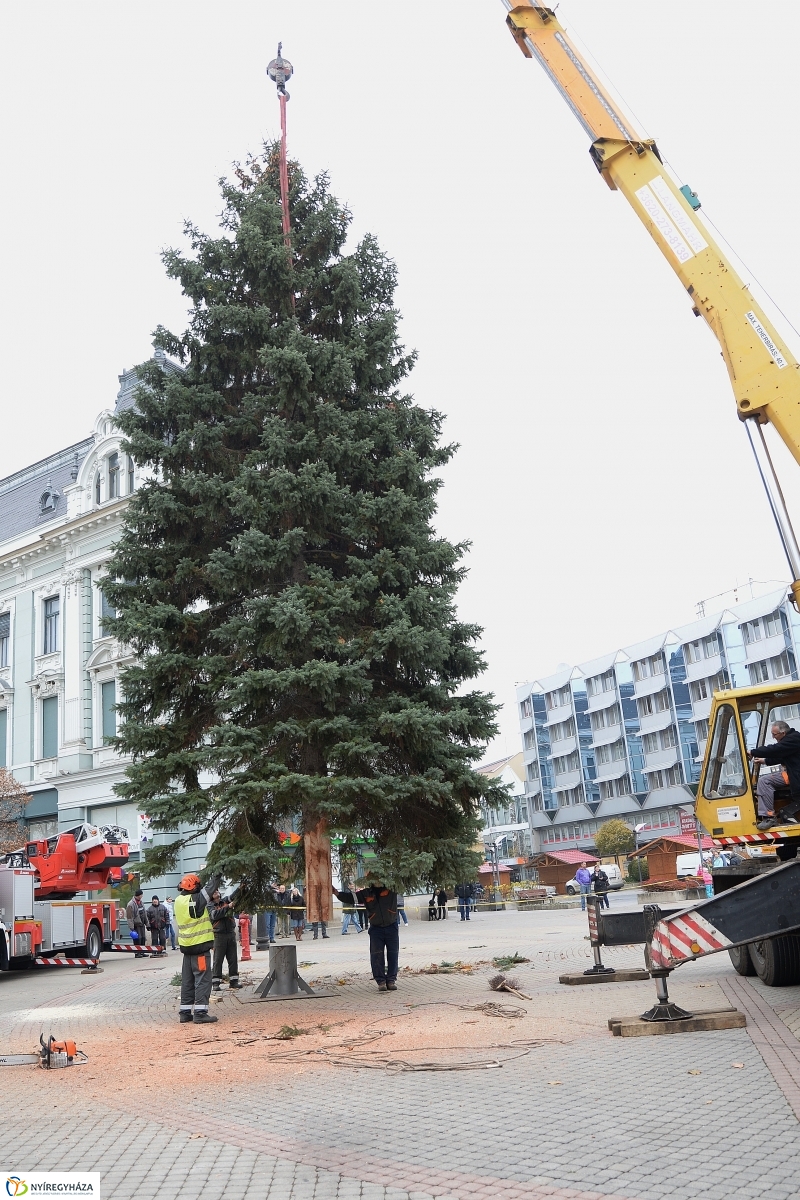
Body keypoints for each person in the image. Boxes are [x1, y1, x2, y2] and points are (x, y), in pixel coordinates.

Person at [175, 871, 221, 1023]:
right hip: (199, 948)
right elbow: (210, 888)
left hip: (186, 948)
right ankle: (200, 1013)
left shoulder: (178, 901)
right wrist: (217, 873)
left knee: (187, 981)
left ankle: (185, 1012)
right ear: (193, 887)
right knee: (203, 979)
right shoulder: (195, 900)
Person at [748, 720, 800, 829]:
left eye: (774, 734)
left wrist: (753, 752)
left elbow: (776, 749)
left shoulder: (793, 739)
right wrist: (765, 761)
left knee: (764, 781)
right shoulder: (792, 740)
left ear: (783, 733)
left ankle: (769, 817)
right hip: (794, 775)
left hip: (796, 777)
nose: (773, 737)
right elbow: (781, 756)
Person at [356, 881, 398, 991]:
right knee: (376, 955)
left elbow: (404, 879)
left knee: (393, 954)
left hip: (391, 926)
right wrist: (336, 893)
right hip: (376, 928)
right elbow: (351, 898)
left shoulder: (392, 888)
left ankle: (391, 980)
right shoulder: (366, 893)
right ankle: (381, 982)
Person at [209, 888, 242, 991]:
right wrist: (229, 907)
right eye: (213, 891)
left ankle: (234, 981)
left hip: (230, 934)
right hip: (219, 935)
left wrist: (240, 888)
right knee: (218, 960)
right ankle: (216, 982)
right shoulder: (209, 906)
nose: (216, 892)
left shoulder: (224, 901)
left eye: (217, 891)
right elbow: (215, 915)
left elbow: (232, 896)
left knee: (233, 959)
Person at [126, 889, 149, 957]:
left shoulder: (141, 902)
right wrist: (131, 927)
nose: (142, 896)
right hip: (136, 925)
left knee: (142, 938)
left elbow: (144, 914)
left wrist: (147, 924)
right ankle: (137, 953)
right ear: (139, 895)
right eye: (141, 894)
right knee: (137, 939)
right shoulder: (130, 904)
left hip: (142, 924)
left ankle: (142, 952)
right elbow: (129, 917)